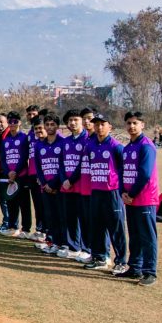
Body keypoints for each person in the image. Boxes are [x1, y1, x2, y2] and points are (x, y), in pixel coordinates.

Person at [84, 113, 127, 274]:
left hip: (112, 192)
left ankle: (121, 261)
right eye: (96, 124)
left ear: (110, 126)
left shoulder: (116, 146)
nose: (99, 127)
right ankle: (100, 258)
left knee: (116, 228)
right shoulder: (90, 146)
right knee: (97, 226)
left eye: (103, 124)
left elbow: (123, 170)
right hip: (96, 191)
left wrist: (122, 190)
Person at [120, 111, 159, 286]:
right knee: (134, 235)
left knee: (147, 236)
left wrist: (132, 194)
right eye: (129, 123)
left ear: (142, 125)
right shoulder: (128, 147)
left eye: (135, 123)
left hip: (144, 199)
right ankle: (135, 267)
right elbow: (123, 172)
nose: (131, 126)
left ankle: (150, 272)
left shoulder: (146, 146)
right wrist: (123, 192)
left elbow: (145, 174)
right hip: (130, 199)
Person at [59, 109, 90, 261]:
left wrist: (71, 180)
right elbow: (61, 163)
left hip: (81, 186)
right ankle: (73, 247)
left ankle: (86, 248)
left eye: (76, 120)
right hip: (67, 187)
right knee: (70, 217)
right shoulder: (66, 141)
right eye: (70, 120)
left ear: (82, 121)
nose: (72, 123)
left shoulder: (87, 139)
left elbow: (82, 163)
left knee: (84, 219)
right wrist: (64, 180)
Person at [34, 114, 66, 254]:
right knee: (50, 216)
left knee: (61, 216)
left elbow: (63, 167)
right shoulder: (39, 145)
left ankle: (63, 243)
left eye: (52, 124)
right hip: (45, 187)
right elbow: (38, 167)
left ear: (57, 126)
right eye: (47, 124)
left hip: (59, 187)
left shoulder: (63, 143)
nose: (49, 127)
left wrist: (53, 184)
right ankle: (52, 242)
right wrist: (44, 184)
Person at [0, 111, 32, 238]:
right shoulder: (5, 140)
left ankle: (26, 229)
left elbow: (24, 157)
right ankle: (12, 227)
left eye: (15, 121)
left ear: (20, 123)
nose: (12, 124)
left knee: (24, 203)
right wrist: (8, 172)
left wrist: (15, 172)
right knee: (11, 202)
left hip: (22, 176)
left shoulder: (24, 138)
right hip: (10, 177)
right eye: (10, 122)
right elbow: (3, 159)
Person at [75, 107, 97, 264]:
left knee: (97, 224)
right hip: (84, 188)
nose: (87, 121)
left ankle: (102, 254)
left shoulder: (99, 139)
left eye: (90, 118)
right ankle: (89, 250)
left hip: (97, 189)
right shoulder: (87, 139)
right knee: (86, 221)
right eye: (84, 119)